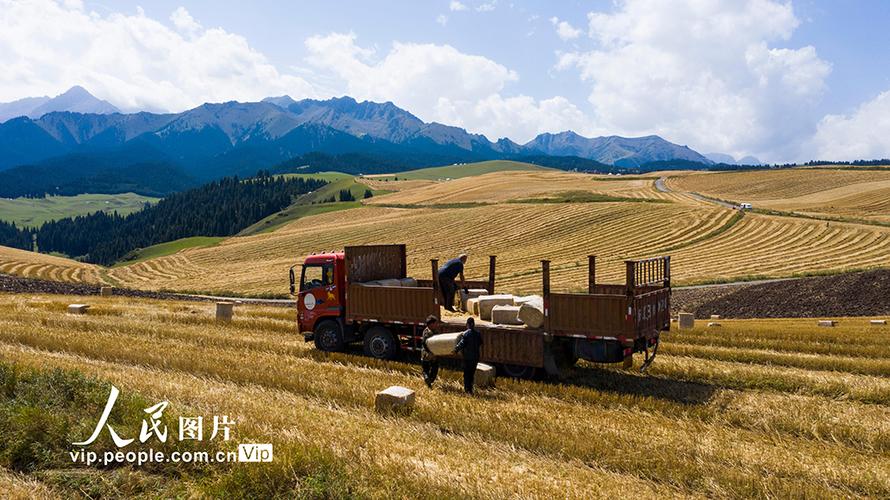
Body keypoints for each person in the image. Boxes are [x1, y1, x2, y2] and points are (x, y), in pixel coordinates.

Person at [453, 317, 483, 394]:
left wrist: (455, 349)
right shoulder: (478, 334)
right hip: (475, 357)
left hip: (467, 358)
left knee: (466, 374)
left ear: (467, 324)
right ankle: (471, 389)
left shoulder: (466, 334)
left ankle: (467, 390)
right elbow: (480, 343)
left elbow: (462, 344)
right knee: (472, 374)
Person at [420, 315, 440, 388]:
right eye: (435, 323)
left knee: (432, 370)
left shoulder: (428, 330)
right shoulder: (428, 332)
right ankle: (429, 381)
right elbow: (424, 343)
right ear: (431, 324)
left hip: (429, 354)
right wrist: (430, 352)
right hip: (428, 354)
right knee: (427, 369)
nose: (437, 325)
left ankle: (429, 380)